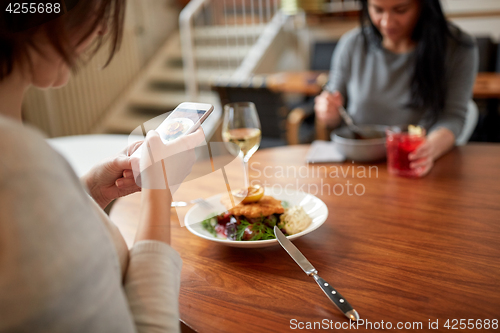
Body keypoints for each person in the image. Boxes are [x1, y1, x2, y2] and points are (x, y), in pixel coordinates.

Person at [0, 1, 203, 331]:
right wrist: (159, 192)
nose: (103, 29)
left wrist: (85, 193)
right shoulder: (17, 163)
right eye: (96, 8)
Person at [314, 0, 479, 177]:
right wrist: (328, 111)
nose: (387, 22)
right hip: (358, 168)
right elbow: (334, 106)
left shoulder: (458, 47)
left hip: (417, 167)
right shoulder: (352, 44)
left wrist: (430, 148)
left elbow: (453, 117)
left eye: (401, 10)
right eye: (377, 10)